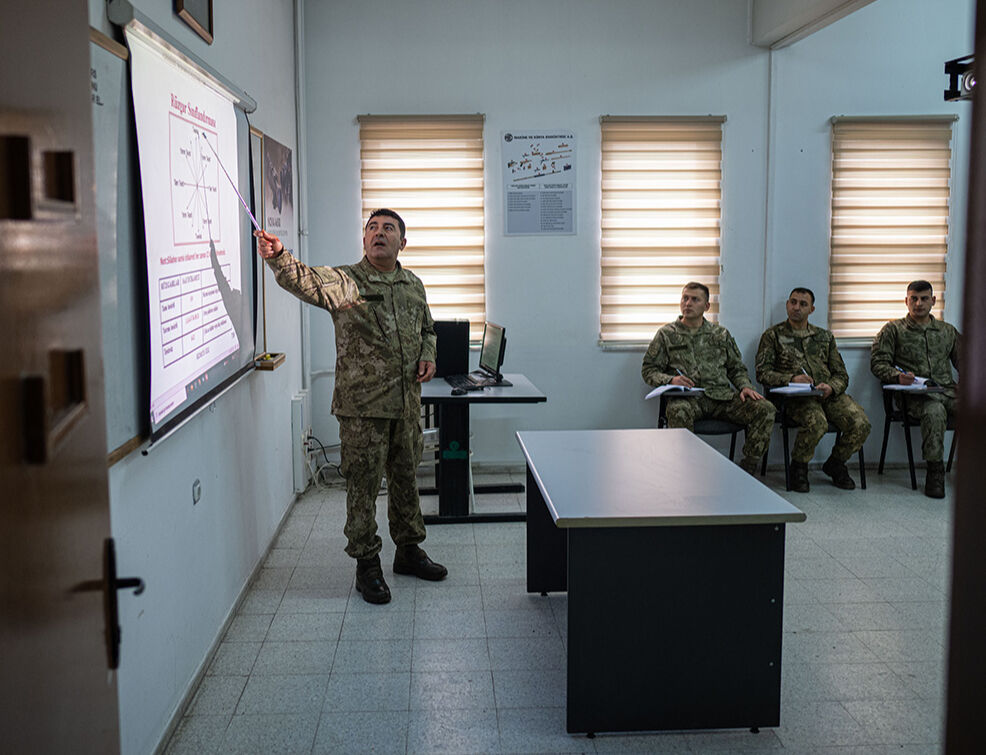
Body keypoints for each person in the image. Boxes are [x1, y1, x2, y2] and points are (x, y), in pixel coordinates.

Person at [255, 209, 447, 604]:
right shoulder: (347, 282)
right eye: (372, 229)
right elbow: (306, 281)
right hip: (363, 411)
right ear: (364, 241)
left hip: (407, 406)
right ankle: (367, 565)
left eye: (388, 229)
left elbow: (429, 328)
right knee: (362, 489)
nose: (379, 234)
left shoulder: (413, 285)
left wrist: (428, 352)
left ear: (402, 243)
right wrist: (279, 257)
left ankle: (409, 552)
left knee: (406, 481)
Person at [642, 282, 775, 475]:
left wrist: (745, 386)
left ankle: (749, 467)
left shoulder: (720, 334)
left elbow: (736, 368)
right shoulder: (667, 334)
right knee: (677, 411)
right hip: (688, 399)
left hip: (722, 398)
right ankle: (686, 471)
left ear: (706, 306)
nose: (688, 303)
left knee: (765, 409)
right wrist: (671, 380)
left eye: (694, 299)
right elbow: (648, 370)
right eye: (685, 298)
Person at [756, 287, 871, 492]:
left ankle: (835, 463)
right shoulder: (773, 336)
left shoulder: (824, 337)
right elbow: (762, 373)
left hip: (827, 394)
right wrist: (791, 379)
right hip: (795, 398)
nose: (796, 308)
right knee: (817, 422)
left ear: (812, 309)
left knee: (861, 423)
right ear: (787, 305)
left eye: (803, 304)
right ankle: (799, 467)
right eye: (793, 302)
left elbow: (841, 374)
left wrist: (831, 387)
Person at [870, 280, 960, 499]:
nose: (919, 304)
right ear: (906, 301)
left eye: (924, 298)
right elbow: (878, 362)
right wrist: (897, 377)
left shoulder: (947, 331)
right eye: (914, 299)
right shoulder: (893, 329)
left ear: (933, 301)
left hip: (947, 391)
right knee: (935, 411)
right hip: (915, 397)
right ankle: (935, 472)